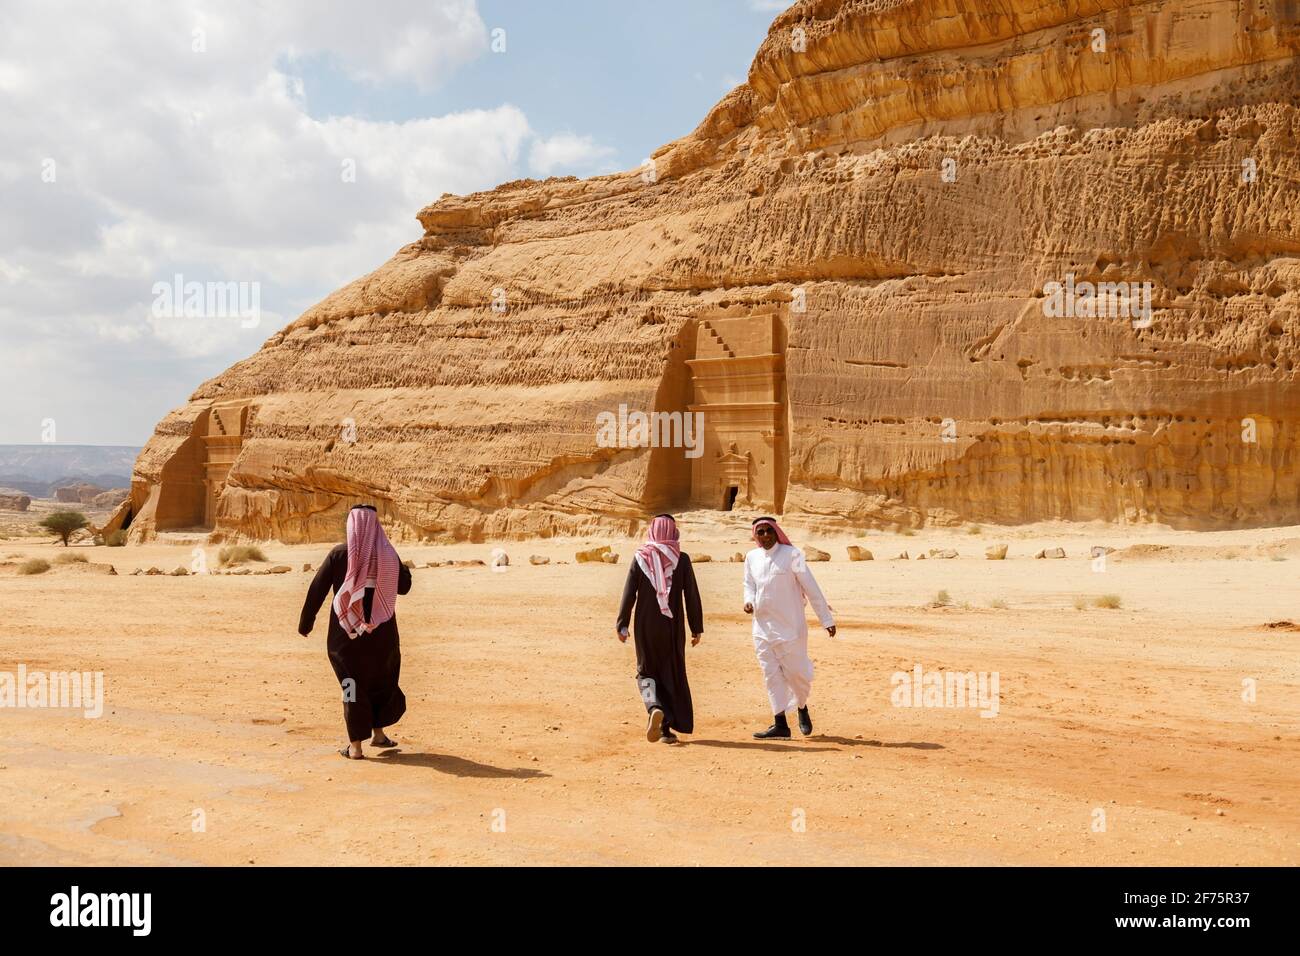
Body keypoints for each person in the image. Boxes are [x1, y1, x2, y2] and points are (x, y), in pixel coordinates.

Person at [298, 504, 412, 759]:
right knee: (381, 681)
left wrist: (306, 623)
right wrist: (394, 560)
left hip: (345, 640)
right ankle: (378, 734)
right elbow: (404, 587)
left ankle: (356, 746)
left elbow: (317, 590)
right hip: (382, 636)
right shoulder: (387, 555)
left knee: (351, 686)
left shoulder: (339, 554)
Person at [743, 516, 836, 739]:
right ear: (756, 535)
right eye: (760, 532)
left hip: (791, 629)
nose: (765, 535)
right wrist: (748, 600)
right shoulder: (751, 557)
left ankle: (802, 706)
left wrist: (827, 620)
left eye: (768, 531)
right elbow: (749, 584)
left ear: (776, 532)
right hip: (762, 628)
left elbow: (812, 589)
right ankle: (780, 723)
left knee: (797, 674)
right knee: (771, 675)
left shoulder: (793, 555)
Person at [616, 514, 704, 744]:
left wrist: (622, 624)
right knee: (669, 671)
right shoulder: (681, 559)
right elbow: (691, 596)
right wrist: (696, 627)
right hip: (672, 626)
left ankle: (653, 706)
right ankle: (665, 730)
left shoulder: (640, 558)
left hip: (645, 625)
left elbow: (628, 594)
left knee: (645, 671)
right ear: (674, 532)